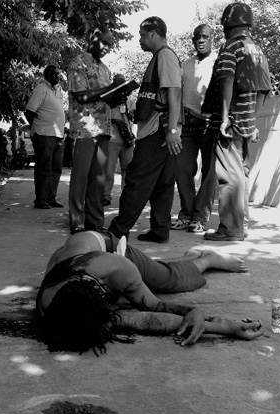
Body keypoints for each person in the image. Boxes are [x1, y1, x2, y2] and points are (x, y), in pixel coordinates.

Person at [36, 229, 263, 354]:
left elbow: (154, 307)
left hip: (105, 245)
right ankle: (185, 258)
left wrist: (193, 310)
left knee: (169, 281)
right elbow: (139, 321)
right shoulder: (50, 304)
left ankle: (208, 259)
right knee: (151, 273)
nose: (111, 324)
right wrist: (224, 327)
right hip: (75, 255)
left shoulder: (118, 269)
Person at [200, 3, 271, 242]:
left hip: (230, 122)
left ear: (227, 24)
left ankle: (231, 229)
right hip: (246, 122)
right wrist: (253, 121)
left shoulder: (231, 47)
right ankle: (243, 224)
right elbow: (263, 89)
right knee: (241, 173)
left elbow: (226, 80)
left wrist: (224, 117)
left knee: (229, 175)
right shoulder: (256, 49)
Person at [108, 17, 182, 244]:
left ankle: (117, 231)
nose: (139, 39)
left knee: (136, 181)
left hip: (157, 132)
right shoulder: (160, 57)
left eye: (142, 35)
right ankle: (160, 230)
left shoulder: (165, 56)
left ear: (153, 33)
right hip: (161, 131)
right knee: (163, 184)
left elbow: (174, 93)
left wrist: (172, 130)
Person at [67, 28, 120, 234]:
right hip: (84, 130)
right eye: (104, 43)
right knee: (80, 178)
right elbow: (81, 96)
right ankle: (77, 222)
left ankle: (95, 222)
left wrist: (119, 92)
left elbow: (107, 98)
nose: (107, 48)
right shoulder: (78, 63)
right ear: (93, 39)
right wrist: (110, 88)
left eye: (110, 45)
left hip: (103, 129)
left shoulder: (105, 69)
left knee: (98, 180)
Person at [171, 24, 218, 234]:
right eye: (197, 37)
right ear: (192, 40)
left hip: (210, 123)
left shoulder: (218, 61)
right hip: (188, 123)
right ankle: (186, 214)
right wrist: (176, 125)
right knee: (182, 168)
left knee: (210, 172)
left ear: (211, 39)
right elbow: (178, 95)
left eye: (205, 37)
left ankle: (200, 217)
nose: (201, 40)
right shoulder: (186, 64)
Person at [25, 65, 66, 209]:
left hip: (57, 135)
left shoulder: (57, 90)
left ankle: (51, 198)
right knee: (44, 167)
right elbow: (29, 112)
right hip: (44, 134)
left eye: (58, 74)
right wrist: (36, 127)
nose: (57, 76)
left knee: (56, 168)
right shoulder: (41, 89)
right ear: (47, 75)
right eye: (54, 74)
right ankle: (41, 199)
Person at [103, 100, 135, 207]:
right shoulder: (108, 101)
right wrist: (115, 120)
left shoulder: (129, 101)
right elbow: (102, 118)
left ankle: (126, 196)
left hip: (127, 139)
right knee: (109, 169)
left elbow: (134, 117)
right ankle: (106, 195)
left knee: (127, 169)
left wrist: (130, 114)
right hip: (112, 139)